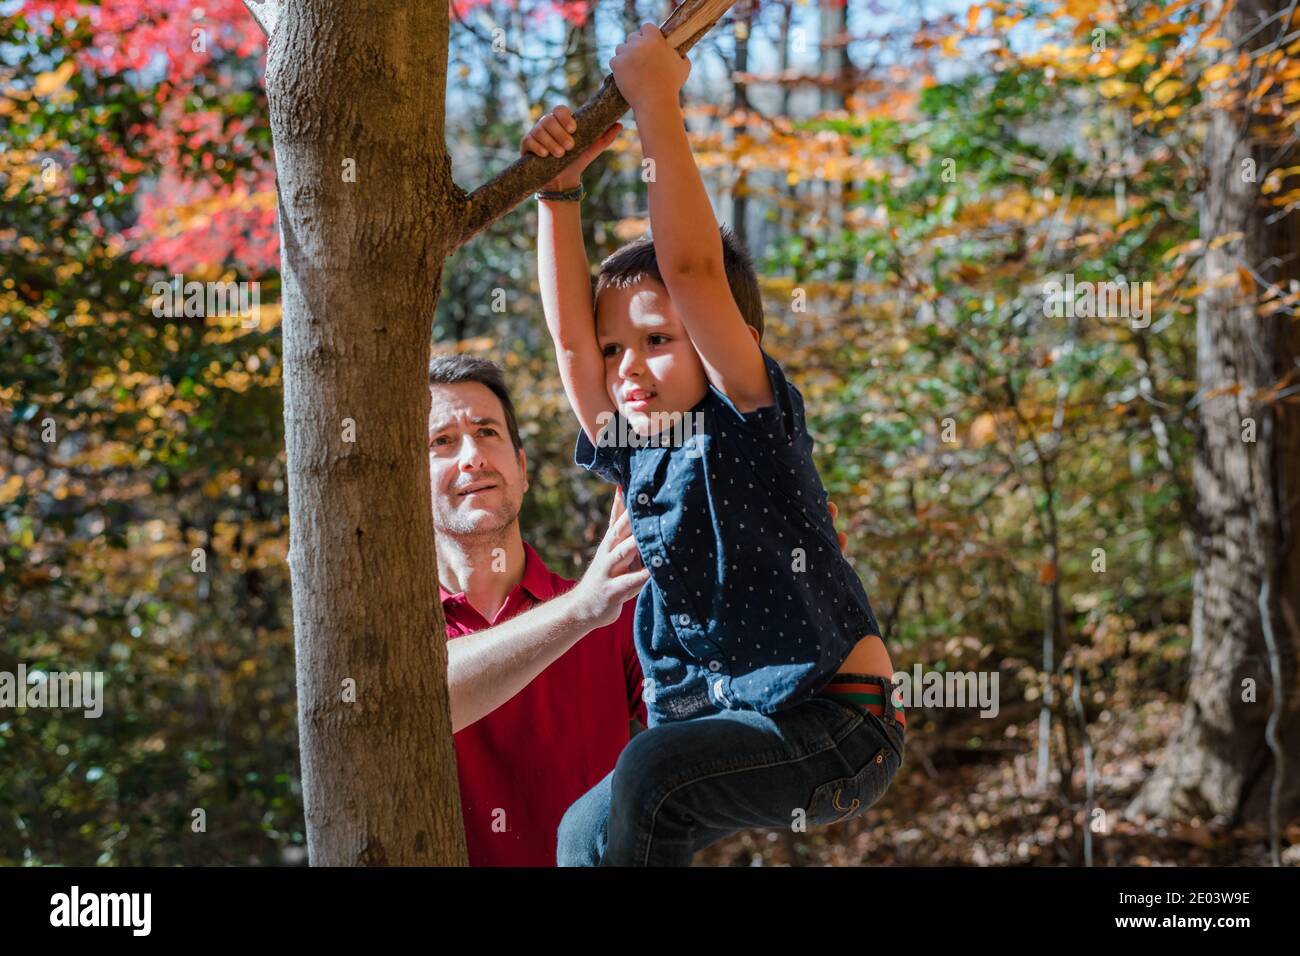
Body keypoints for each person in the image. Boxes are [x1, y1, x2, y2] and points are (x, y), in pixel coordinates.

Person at [521, 23, 905, 866]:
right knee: (576, 834)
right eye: (617, 348)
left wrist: (658, 101)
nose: (627, 367)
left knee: (650, 771)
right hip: (739, 729)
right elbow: (570, 347)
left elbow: (692, 271)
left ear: (719, 338)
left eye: (657, 342)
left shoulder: (748, 418)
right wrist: (558, 196)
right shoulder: (633, 446)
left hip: (838, 726)